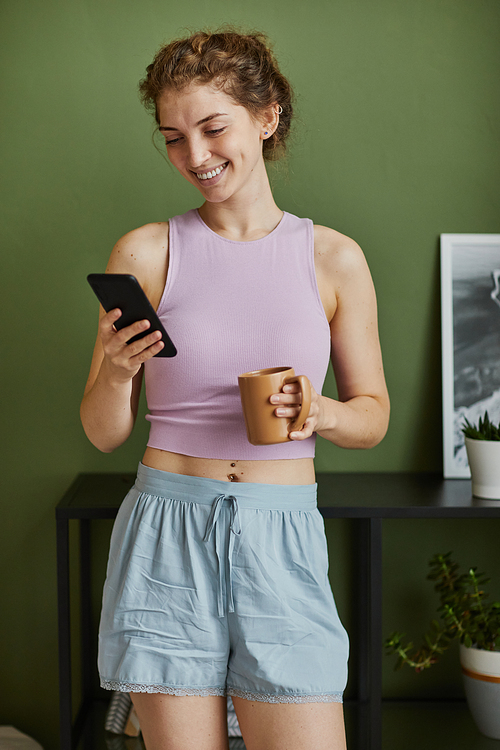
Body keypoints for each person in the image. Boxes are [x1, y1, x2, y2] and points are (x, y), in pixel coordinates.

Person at [81, 29, 390, 750]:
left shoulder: (334, 259)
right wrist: (121, 370)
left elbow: (371, 416)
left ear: (268, 114)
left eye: (213, 127)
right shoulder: (146, 252)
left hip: (281, 537)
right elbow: (103, 431)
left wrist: (322, 412)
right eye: (174, 137)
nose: (196, 156)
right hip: (166, 533)